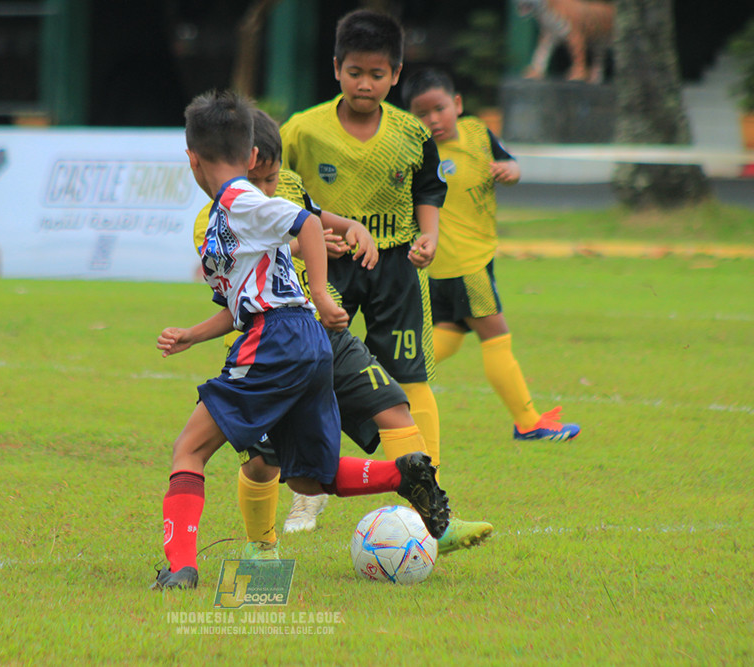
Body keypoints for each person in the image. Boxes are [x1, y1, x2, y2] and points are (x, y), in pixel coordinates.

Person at [152, 89, 450, 590]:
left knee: (189, 451)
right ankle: (403, 474)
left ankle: (181, 567)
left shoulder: (238, 198)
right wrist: (192, 335)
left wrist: (321, 291)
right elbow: (242, 302)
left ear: (191, 158)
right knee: (311, 476)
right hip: (303, 342)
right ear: (250, 154)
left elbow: (307, 223)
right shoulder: (225, 219)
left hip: (279, 339)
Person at [193, 109, 492, 558]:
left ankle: (436, 526)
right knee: (263, 462)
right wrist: (299, 245)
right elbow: (246, 279)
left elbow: (316, 217)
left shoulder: (288, 187)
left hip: (318, 334)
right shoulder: (215, 218)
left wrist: (353, 229)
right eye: (262, 183)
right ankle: (262, 546)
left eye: (274, 179)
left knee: (393, 407)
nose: (271, 191)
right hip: (261, 349)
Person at [279, 9, 449, 530]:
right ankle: (308, 490)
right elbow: (275, 193)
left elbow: (428, 190)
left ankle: (427, 487)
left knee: (409, 378)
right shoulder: (303, 131)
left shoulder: (410, 133)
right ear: (336, 68)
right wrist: (306, 236)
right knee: (312, 370)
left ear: (396, 74)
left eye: (378, 74)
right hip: (324, 267)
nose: (365, 83)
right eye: (355, 72)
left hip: (394, 265)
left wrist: (430, 238)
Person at [401, 67, 580, 441]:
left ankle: (386, 386)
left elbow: (511, 163)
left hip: (471, 260)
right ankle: (528, 422)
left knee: (447, 335)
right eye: (422, 113)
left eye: (440, 108)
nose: (433, 119)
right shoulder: (417, 152)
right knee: (496, 335)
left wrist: (509, 171)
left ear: (457, 104)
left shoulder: (479, 133)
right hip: (462, 264)